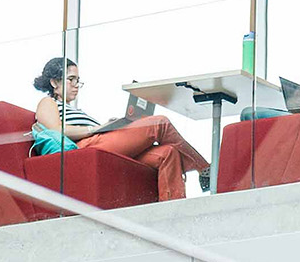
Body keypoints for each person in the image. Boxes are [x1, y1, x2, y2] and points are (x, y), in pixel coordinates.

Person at [32, 57, 210, 202]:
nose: (76, 85)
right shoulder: (48, 103)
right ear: (54, 82)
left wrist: (111, 127)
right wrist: (93, 129)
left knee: (168, 152)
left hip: (101, 141)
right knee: (158, 123)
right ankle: (205, 169)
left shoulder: (76, 110)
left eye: (78, 80)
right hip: (84, 149)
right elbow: (56, 130)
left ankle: (173, 212)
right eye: (71, 79)